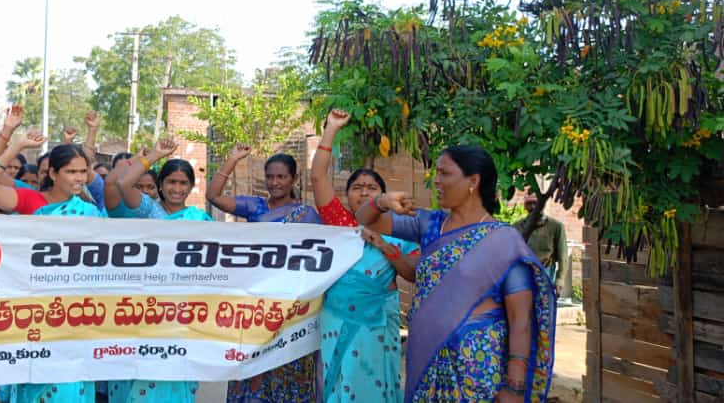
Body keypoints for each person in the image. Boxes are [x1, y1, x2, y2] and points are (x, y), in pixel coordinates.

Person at [355, 145, 556, 403]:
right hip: (427, 362)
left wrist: (515, 387)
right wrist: (382, 201)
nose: (436, 181)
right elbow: (366, 219)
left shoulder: (503, 240)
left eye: (445, 173)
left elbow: (520, 318)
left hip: (476, 367)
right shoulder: (429, 224)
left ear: (473, 181)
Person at [0, 133, 103, 403]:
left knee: (70, 383)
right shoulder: (32, 201)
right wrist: (16, 145)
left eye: (83, 172)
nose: (79, 178)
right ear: (54, 174)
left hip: (76, 312)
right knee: (35, 381)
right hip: (35, 309)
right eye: (71, 172)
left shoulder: (90, 212)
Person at [310, 109, 418, 402]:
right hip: (337, 316)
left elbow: (412, 273)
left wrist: (383, 245)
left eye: (372, 188)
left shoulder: (401, 229)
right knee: (338, 383)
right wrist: (331, 128)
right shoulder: (339, 223)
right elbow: (318, 177)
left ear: (383, 195)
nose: (364, 192)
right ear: (347, 196)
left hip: (379, 321)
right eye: (357, 188)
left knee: (378, 384)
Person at [206, 145, 322, 402]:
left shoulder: (307, 216)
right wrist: (232, 159)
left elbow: (319, 258)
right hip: (255, 304)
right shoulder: (255, 207)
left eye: (281, 177)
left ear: (294, 178)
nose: (274, 182)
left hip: (292, 305)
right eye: (270, 177)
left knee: (288, 364)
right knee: (252, 365)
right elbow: (213, 196)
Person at [102, 138, 209, 402]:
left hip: (182, 307)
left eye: (183, 183)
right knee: (138, 369)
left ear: (191, 187)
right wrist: (155, 155)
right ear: (160, 184)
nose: (177, 188)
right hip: (143, 304)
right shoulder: (147, 210)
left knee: (175, 369)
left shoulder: (200, 219)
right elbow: (123, 184)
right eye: (171, 182)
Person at [514, 194, 566, 291]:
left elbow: (563, 256)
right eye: (529, 203)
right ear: (525, 206)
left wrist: (560, 279)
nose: (533, 207)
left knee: (544, 300)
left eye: (536, 203)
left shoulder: (556, 226)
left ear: (543, 205)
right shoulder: (517, 227)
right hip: (523, 273)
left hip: (546, 271)